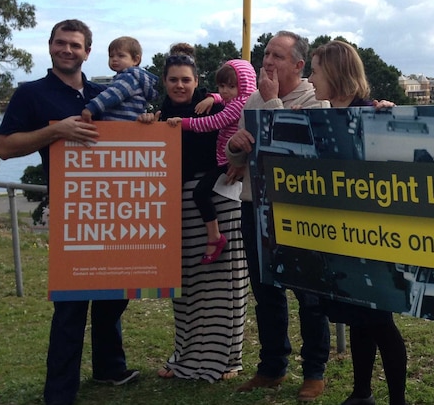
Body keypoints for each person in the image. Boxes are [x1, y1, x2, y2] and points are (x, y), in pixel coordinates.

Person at [0, 19, 139, 405]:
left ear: (87, 52)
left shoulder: (104, 92)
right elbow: (5, 148)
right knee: (71, 307)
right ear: (50, 46)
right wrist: (57, 130)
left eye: (76, 45)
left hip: (113, 211)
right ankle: (59, 392)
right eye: (61, 43)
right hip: (71, 212)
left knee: (114, 296)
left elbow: (137, 133)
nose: (67, 50)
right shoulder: (31, 94)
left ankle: (111, 368)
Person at [225, 31, 332, 401]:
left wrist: (271, 104)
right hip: (254, 206)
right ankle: (272, 367)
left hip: (298, 212)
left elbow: (295, 152)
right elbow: (238, 159)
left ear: (299, 66)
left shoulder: (319, 100)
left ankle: (314, 371)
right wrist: (234, 148)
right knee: (266, 291)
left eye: (277, 57)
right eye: (266, 54)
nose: (267, 62)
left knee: (309, 294)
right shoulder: (252, 99)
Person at [139, 44, 249, 382]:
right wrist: (144, 124)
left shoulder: (214, 105)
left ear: (196, 80)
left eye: (186, 79)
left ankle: (228, 359)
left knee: (224, 285)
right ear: (165, 81)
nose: (179, 86)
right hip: (178, 206)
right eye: (173, 79)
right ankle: (183, 356)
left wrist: (240, 162)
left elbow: (247, 124)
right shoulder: (159, 114)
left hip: (219, 200)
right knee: (185, 286)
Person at [308, 40, 408, 405]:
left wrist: (390, 116)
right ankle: (361, 392)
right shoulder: (323, 116)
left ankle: (397, 399)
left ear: (334, 73)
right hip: (342, 237)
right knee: (357, 318)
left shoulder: (373, 114)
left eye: (315, 70)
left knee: (381, 324)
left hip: (374, 239)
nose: (311, 78)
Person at [164, 59, 256, 264]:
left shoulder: (238, 105)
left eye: (231, 86)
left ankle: (215, 236)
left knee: (200, 192)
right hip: (223, 158)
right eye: (221, 86)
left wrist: (184, 123)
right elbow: (224, 101)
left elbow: (213, 122)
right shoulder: (236, 101)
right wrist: (213, 98)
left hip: (226, 161)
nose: (225, 92)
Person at [80, 36, 158, 123]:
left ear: (136, 60)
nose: (114, 59)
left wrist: (91, 108)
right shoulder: (133, 78)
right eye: (111, 56)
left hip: (122, 124)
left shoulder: (128, 78)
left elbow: (112, 94)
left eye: (121, 56)